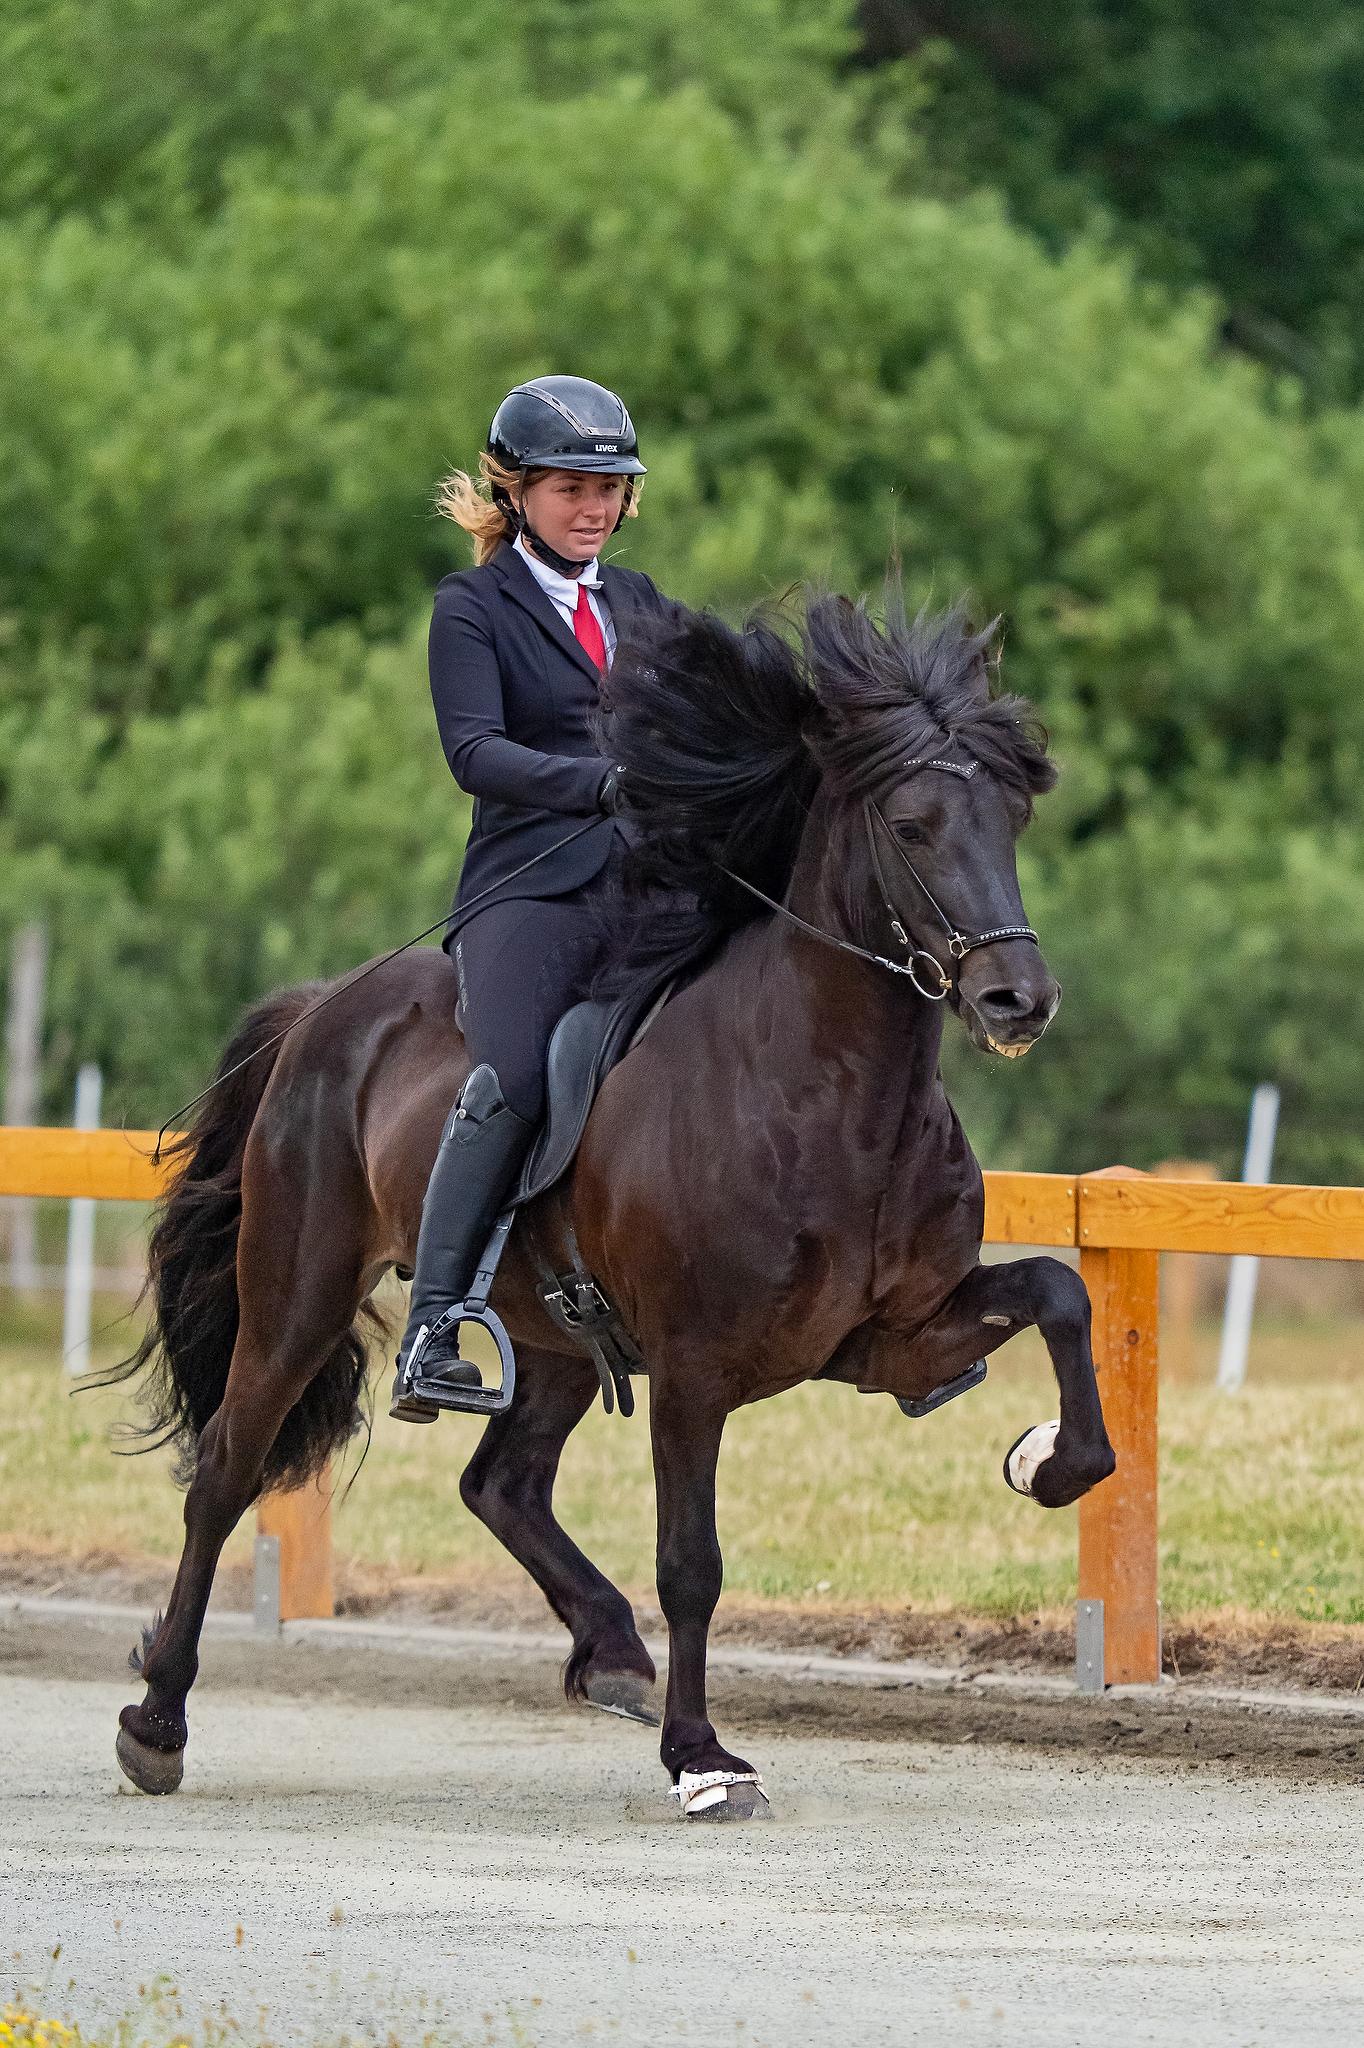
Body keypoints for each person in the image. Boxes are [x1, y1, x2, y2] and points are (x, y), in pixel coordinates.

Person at [391, 375, 668, 1422]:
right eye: (570, 488)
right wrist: (599, 783)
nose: (594, 507)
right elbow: (476, 753)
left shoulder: (642, 604)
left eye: (609, 488)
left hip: (651, 883)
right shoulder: (471, 609)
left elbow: (723, 692)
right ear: (516, 493)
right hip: (532, 887)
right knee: (511, 1074)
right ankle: (433, 1322)